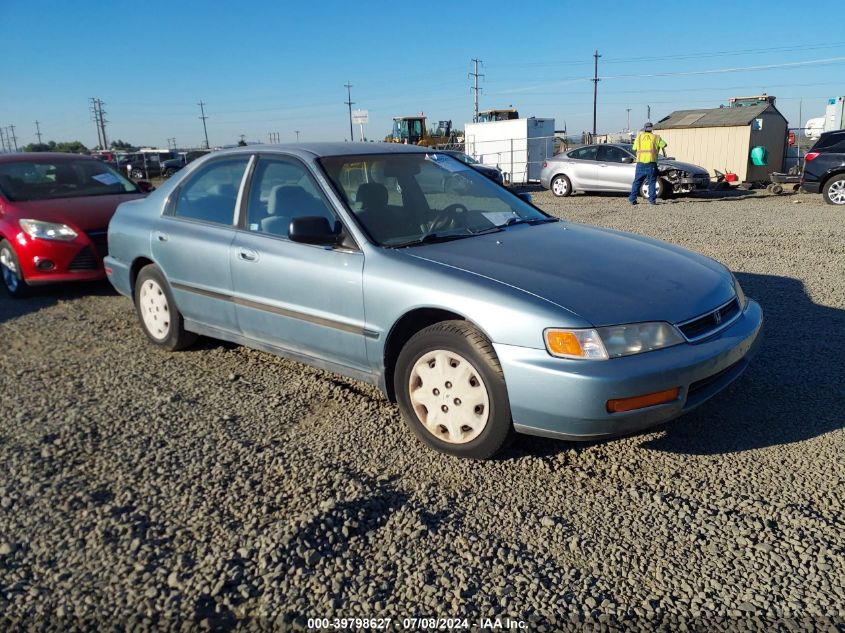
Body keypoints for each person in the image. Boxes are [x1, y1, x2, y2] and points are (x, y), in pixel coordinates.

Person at [628, 122, 667, 205]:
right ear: (651, 129)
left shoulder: (638, 138)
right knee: (652, 182)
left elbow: (634, 148)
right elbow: (664, 145)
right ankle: (652, 200)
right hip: (651, 164)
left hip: (640, 163)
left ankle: (632, 199)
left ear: (644, 128)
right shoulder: (656, 138)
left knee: (637, 181)